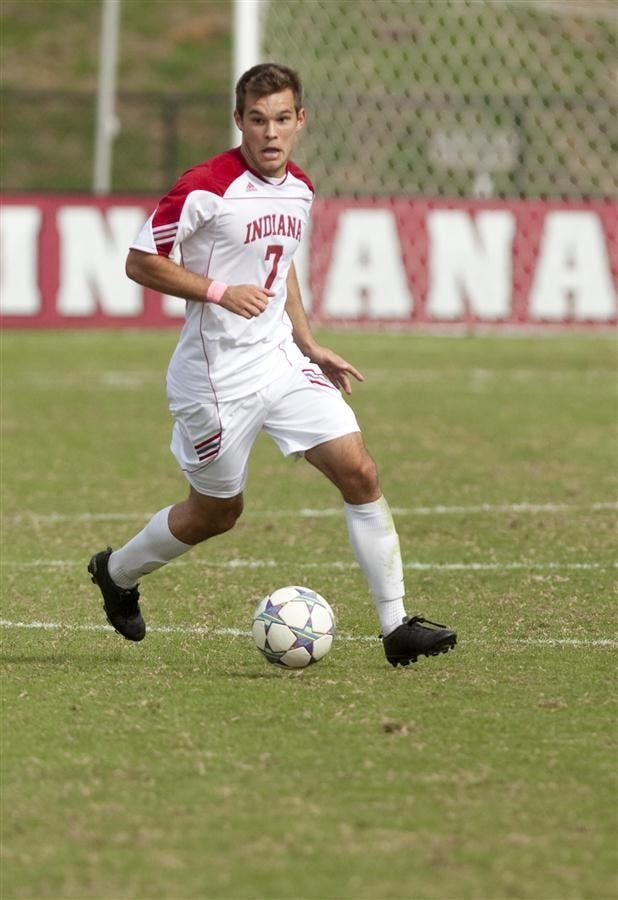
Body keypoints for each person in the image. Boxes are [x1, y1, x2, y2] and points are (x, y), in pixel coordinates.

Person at [88, 62, 456, 667]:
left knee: (359, 472)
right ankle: (117, 572)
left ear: (301, 120)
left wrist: (307, 341)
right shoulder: (205, 185)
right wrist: (216, 290)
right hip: (214, 381)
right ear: (239, 122)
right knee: (217, 513)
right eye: (257, 120)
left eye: (282, 119)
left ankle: (396, 626)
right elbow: (138, 261)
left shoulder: (300, 188)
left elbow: (278, 266)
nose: (270, 133)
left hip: (280, 361)